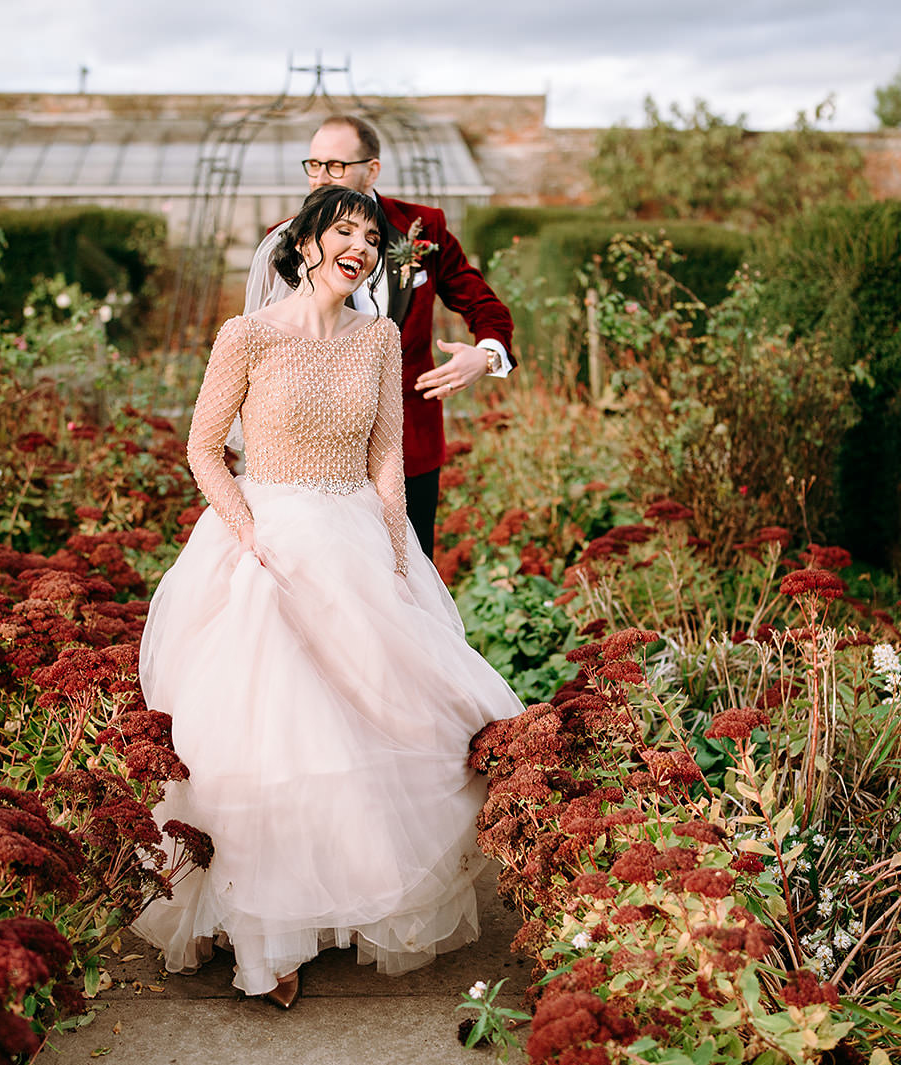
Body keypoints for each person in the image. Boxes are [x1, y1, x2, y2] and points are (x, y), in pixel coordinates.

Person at [134, 184, 524, 1009]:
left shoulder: (380, 338)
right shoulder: (245, 335)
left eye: (371, 237)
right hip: (262, 537)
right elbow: (205, 450)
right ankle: (267, 940)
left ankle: (334, 906)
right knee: (268, 738)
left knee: (384, 722)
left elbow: (389, 455)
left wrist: (394, 546)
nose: (360, 244)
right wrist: (249, 532)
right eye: (342, 229)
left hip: (354, 530)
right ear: (305, 241)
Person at [246, 114, 515, 560]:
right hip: (317, 456)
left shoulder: (423, 229)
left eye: (335, 166)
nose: (320, 177)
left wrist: (485, 356)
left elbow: (484, 305)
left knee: (408, 580)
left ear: (372, 170)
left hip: (410, 445)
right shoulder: (291, 239)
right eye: (313, 164)